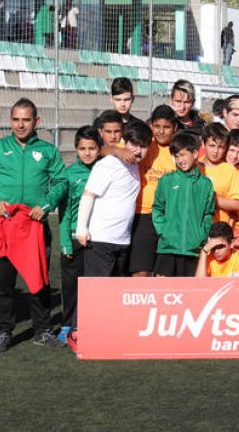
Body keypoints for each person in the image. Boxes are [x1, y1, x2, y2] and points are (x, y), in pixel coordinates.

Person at [0, 99, 66, 351]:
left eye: (26, 119)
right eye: (16, 119)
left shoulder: (48, 150)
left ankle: (43, 330)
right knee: (3, 283)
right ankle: (3, 331)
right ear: (10, 120)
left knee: (40, 280)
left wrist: (46, 205)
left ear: (36, 121)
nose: (20, 125)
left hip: (35, 225)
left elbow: (60, 182)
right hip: (6, 224)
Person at [75, 122, 150, 278]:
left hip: (122, 240)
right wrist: (81, 228)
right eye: (133, 144)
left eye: (142, 146)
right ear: (125, 143)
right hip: (101, 240)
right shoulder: (109, 164)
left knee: (114, 295)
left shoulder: (136, 167)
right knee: (98, 292)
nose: (137, 150)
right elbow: (88, 195)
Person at [56, 126, 100, 344]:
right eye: (83, 148)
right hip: (74, 239)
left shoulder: (103, 171)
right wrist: (65, 242)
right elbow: (64, 213)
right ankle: (66, 326)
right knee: (71, 285)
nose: (87, 153)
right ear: (76, 149)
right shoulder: (70, 174)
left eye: (92, 148)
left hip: (98, 239)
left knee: (93, 285)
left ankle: (89, 325)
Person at [152, 131, 216, 276]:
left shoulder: (205, 184)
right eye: (176, 156)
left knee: (189, 293)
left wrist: (201, 235)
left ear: (194, 154)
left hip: (192, 250)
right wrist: (164, 231)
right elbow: (157, 209)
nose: (179, 160)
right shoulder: (167, 180)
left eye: (182, 155)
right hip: (167, 248)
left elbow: (209, 213)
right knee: (163, 290)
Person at [131, 106, 178, 277]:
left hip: (170, 218)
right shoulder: (142, 145)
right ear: (151, 125)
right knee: (140, 272)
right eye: (157, 126)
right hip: (143, 215)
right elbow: (109, 149)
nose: (161, 131)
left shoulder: (179, 151)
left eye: (166, 127)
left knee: (163, 276)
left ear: (175, 128)